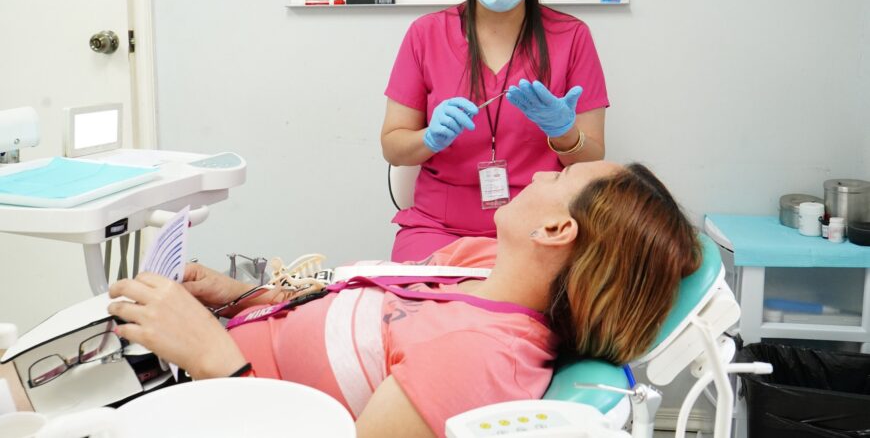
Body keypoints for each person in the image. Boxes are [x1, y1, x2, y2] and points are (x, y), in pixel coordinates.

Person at [74, 161, 697, 438]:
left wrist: (214, 359)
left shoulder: (478, 360)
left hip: (213, 402)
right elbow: (363, 307)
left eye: (558, 179)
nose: (538, 174)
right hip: (202, 349)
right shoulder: (479, 265)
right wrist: (243, 296)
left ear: (556, 231)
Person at [381, 0, 609, 262]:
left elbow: (593, 160)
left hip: (540, 227)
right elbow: (392, 146)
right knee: (429, 315)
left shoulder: (572, 37)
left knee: (524, 318)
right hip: (437, 229)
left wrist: (564, 132)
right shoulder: (426, 35)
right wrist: (429, 138)